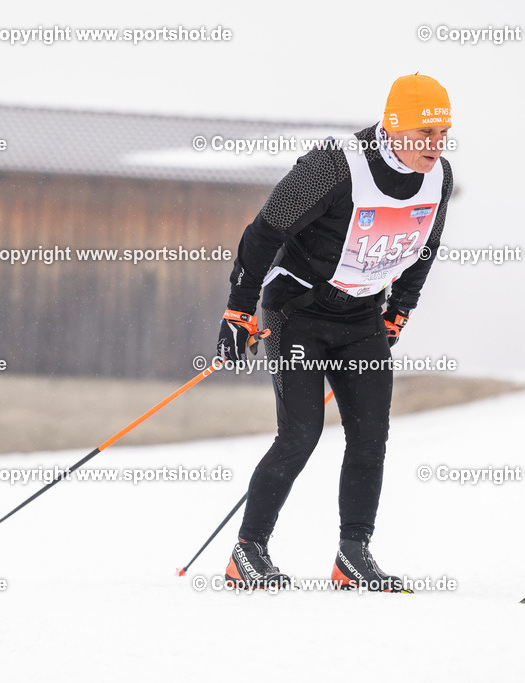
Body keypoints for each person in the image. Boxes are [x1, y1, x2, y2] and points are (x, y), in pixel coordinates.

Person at [216, 74, 454, 592]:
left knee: (370, 438)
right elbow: (264, 232)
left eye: (442, 134)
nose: (435, 146)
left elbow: (423, 246)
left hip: (361, 317)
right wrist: (238, 310)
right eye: (424, 134)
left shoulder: (439, 178)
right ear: (393, 127)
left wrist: (401, 311)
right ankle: (247, 553)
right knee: (300, 434)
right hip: (297, 310)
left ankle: (353, 556)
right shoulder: (334, 165)